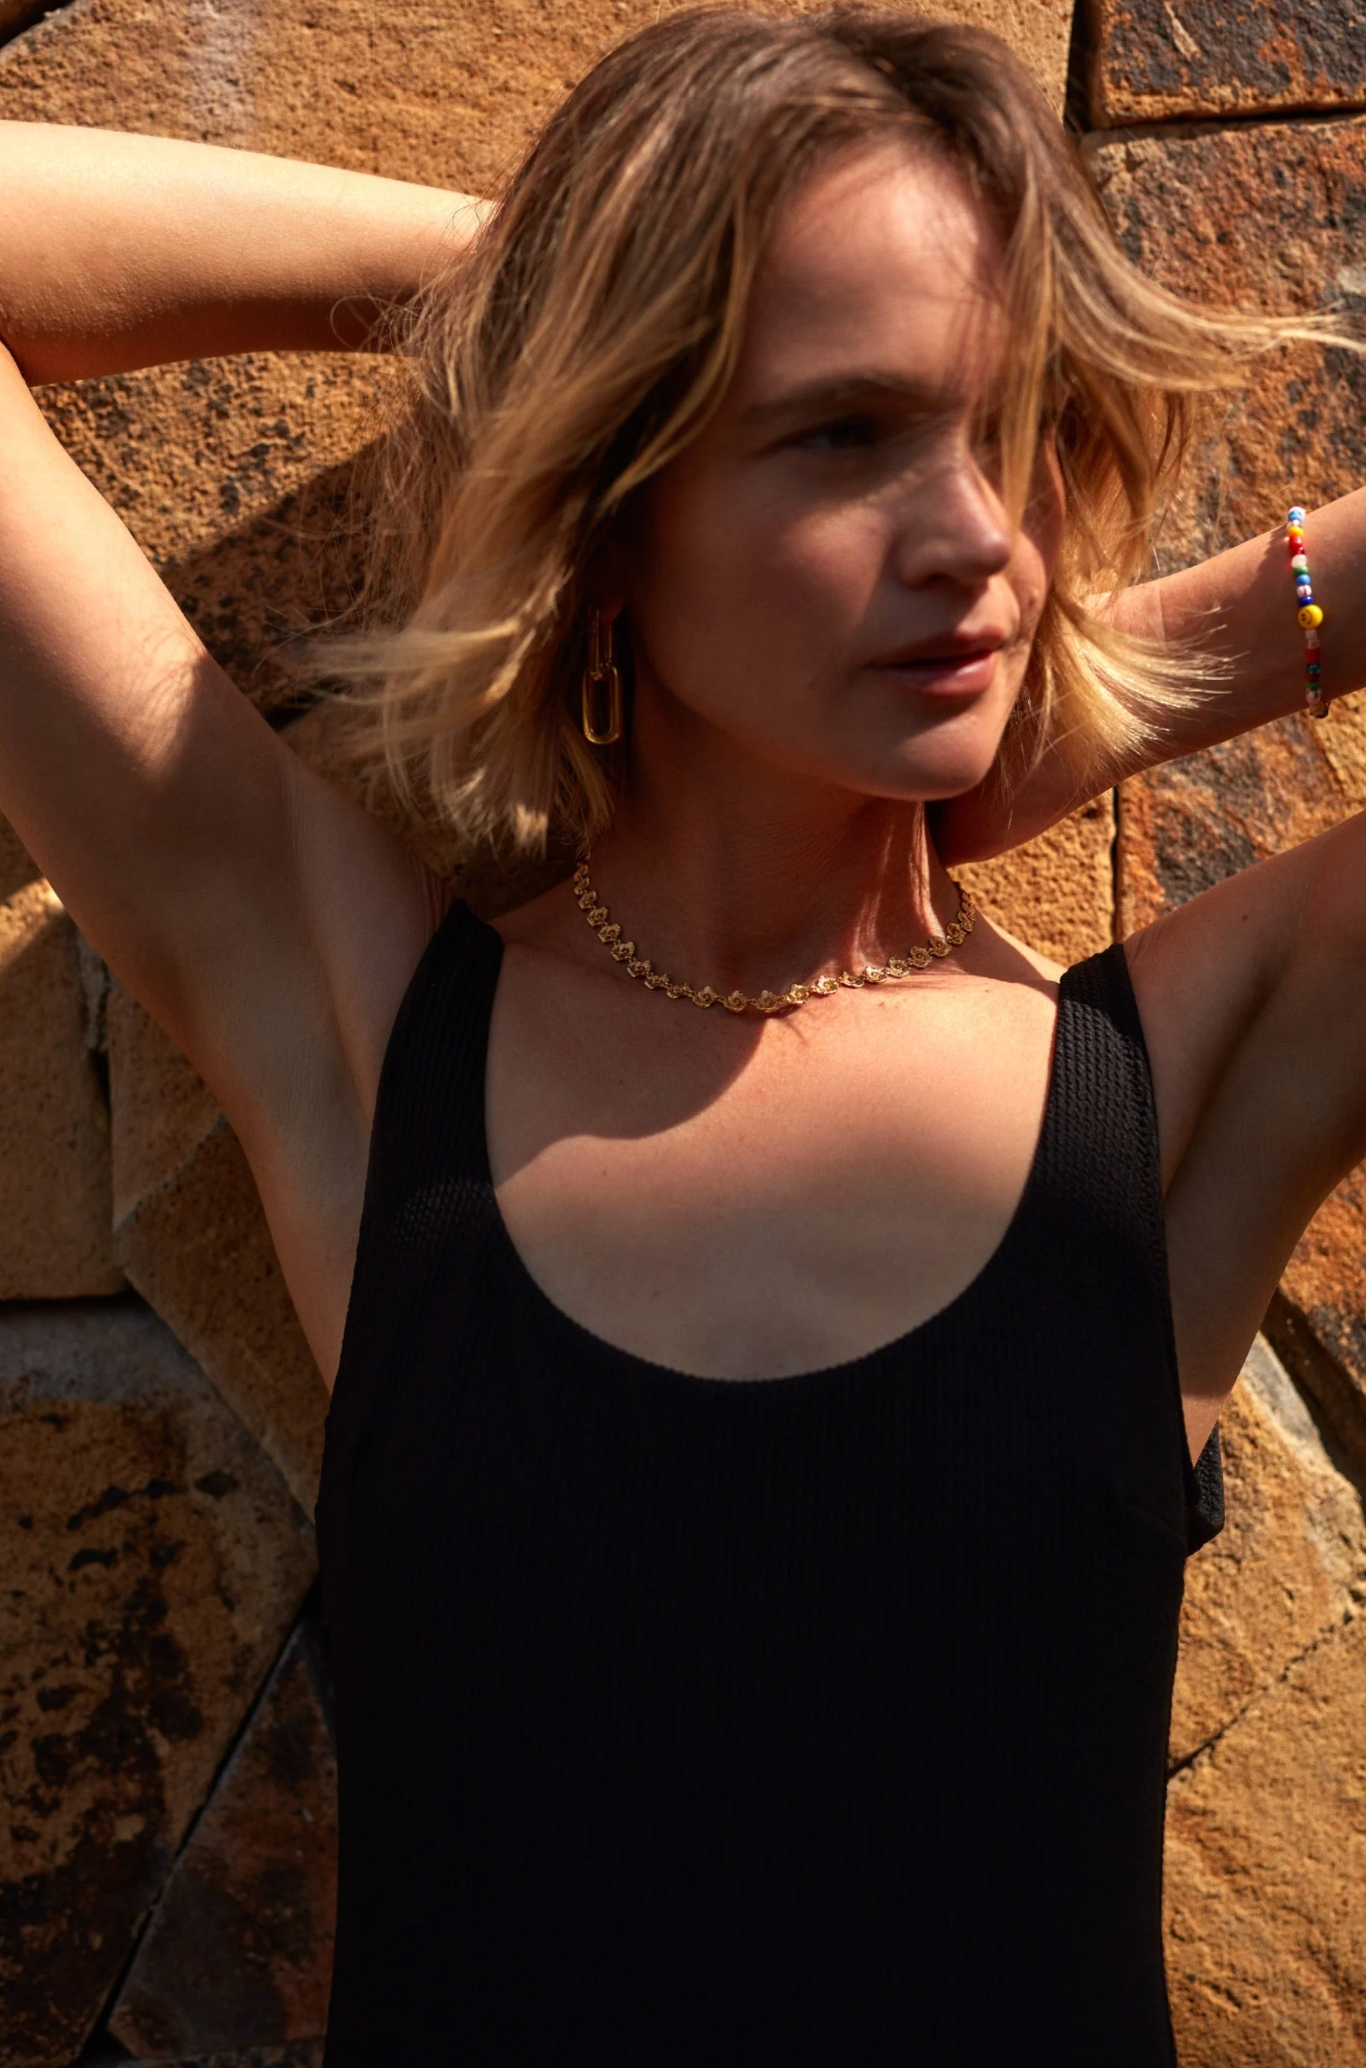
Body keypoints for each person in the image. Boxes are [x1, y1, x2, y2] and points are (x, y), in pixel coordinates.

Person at [1, 9, 1363, 2062]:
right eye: (840, 432)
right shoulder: (371, 1039)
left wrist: (1100, 689)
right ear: (611, 494)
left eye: (1006, 429)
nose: (973, 537)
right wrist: (530, 289)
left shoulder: (1180, 1089)